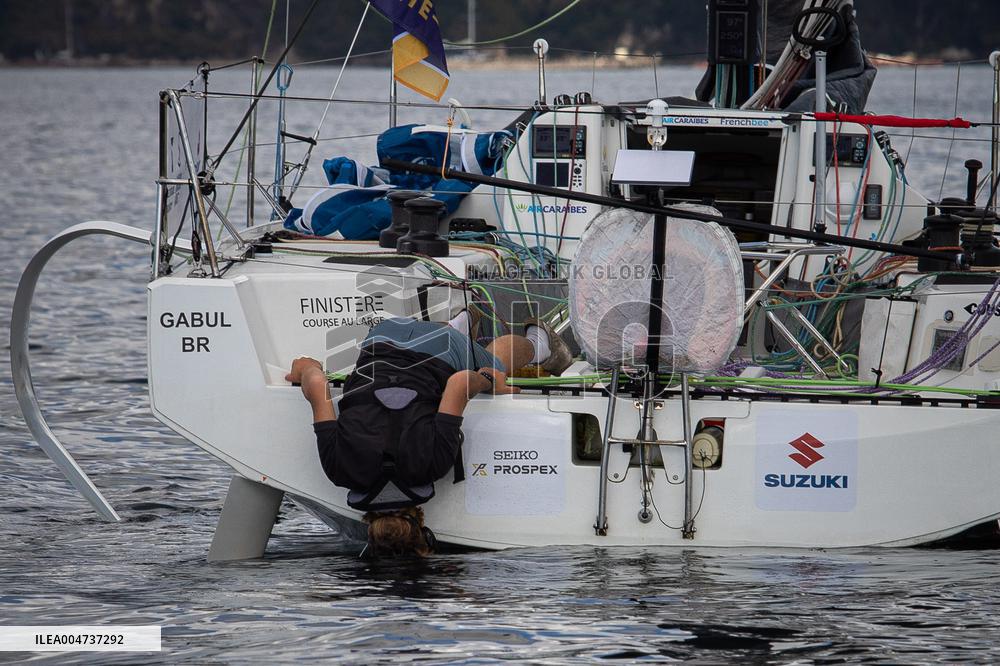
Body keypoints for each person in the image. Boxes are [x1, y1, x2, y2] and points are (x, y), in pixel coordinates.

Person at [286, 311, 571, 557]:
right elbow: (317, 384)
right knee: (438, 345)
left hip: (442, 350)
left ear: (423, 529)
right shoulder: (339, 469)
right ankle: (459, 322)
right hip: (382, 337)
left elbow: (459, 384)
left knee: (496, 363)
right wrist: (305, 368)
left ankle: (541, 344)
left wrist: (488, 380)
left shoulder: (431, 465)